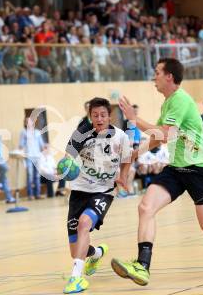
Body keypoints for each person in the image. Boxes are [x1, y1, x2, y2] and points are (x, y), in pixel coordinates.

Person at [111, 58, 203, 286]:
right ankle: (142, 266)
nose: (154, 77)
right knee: (145, 207)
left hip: (199, 167)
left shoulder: (180, 100)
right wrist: (131, 157)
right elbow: (157, 137)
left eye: (157, 72)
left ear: (169, 76)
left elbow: (166, 133)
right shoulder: (168, 102)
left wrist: (134, 118)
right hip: (176, 168)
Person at [62, 97, 132, 294]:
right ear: (89, 116)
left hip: (104, 191)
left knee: (85, 223)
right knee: (75, 251)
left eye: (103, 115)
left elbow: (127, 158)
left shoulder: (120, 137)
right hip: (79, 190)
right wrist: (65, 166)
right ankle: (97, 253)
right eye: (95, 115)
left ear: (109, 116)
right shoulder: (81, 133)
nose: (99, 119)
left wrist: (123, 176)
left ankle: (76, 279)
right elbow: (67, 158)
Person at [19, 117, 44, 200]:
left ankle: (38, 194)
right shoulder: (23, 132)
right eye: (27, 122)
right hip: (28, 157)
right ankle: (30, 195)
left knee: (37, 176)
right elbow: (21, 145)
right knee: (29, 175)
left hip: (37, 156)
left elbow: (42, 145)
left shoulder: (37, 132)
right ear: (25, 123)